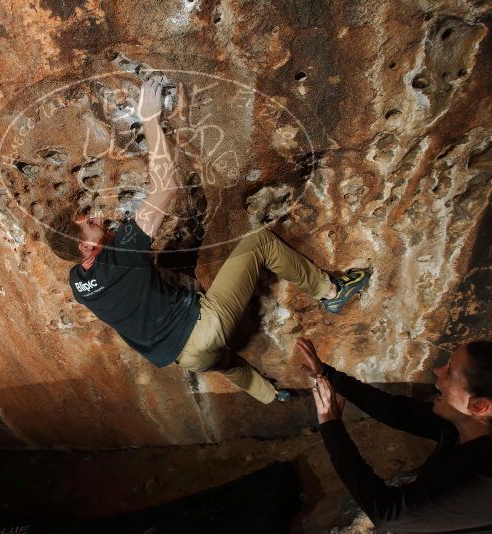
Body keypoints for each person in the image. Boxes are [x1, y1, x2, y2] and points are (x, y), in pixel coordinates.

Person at [44, 77, 370, 404]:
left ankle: (271, 395)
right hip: (203, 329)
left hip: (188, 360)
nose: (97, 217)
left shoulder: (78, 282)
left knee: (224, 361)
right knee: (258, 242)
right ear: (87, 247)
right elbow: (165, 185)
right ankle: (331, 291)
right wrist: (149, 118)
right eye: (89, 223)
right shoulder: (121, 254)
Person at [297, 337, 492, 532]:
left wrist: (331, 425)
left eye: (450, 372)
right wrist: (327, 373)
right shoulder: (472, 425)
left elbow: (389, 514)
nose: (437, 372)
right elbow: (397, 411)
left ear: (479, 406)